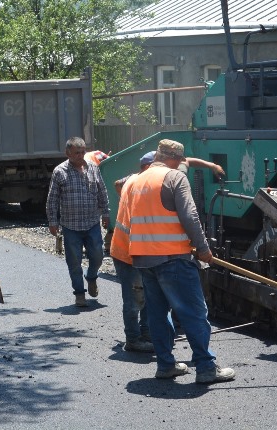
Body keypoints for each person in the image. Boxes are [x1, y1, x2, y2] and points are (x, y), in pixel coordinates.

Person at [126, 139, 235, 384]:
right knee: (194, 313)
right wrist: (204, 249)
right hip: (173, 257)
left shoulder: (137, 180)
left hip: (144, 259)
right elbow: (190, 215)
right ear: (176, 158)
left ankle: (165, 365)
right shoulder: (174, 178)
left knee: (157, 314)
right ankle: (206, 367)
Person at [46, 137, 110, 307]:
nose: (81, 155)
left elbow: (102, 191)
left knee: (98, 255)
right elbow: (52, 199)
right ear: (68, 153)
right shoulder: (60, 172)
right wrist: (53, 221)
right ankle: (79, 293)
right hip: (70, 226)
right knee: (74, 262)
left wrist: (106, 213)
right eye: (77, 153)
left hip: (92, 223)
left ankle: (91, 277)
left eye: (83, 152)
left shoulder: (93, 168)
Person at [109, 153, 154, 353]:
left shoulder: (132, 179)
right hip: (129, 253)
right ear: (147, 168)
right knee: (134, 299)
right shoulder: (141, 187)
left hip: (130, 250)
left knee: (145, 297)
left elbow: (117, 183)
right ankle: (133, 339)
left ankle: (146, 335)